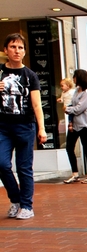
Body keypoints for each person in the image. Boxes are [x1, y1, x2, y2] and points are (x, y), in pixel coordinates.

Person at [0, 33, 47, 220]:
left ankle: (26, 206)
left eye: (20, 47)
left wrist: (41, 129)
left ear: (25, 51)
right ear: (5, 50)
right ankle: (16, 200)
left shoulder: (30, 76)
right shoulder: (0, 73)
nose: (16, 51)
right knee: (2, 164)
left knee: (24, 168)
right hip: (2, 126)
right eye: (13, 47)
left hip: (25, 126)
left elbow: (37, 105)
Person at [63, 69, 87, 184]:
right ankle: (75, 174)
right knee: (69, 148)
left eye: (75, 76)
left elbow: (78, 109)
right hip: (75, 125)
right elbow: (73, 104)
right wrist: (70, 121)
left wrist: (67, 109)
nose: (73, 79)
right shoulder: (76, 91)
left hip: (85, 125)